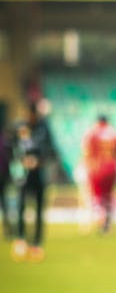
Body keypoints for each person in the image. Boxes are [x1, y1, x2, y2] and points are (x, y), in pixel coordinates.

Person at [11, 101, 56, 261]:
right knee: (21, 206)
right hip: (23, 175)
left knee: (38, 209)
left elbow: (51, 150)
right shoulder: (19, 128)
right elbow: (13, 149)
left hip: (39, 175)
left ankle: (36, 244)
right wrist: (22, 161)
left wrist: (39, 161)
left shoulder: (44, 128)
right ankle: (21, 239)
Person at [82, 114, 116, 232]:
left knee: (98, 197)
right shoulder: (115, 134)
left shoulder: (92, 133)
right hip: (111, 168)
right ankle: (108, 222)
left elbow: (87, 152)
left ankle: (101, 223)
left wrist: (88, 166)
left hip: (97, 168)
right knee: (108, 196)